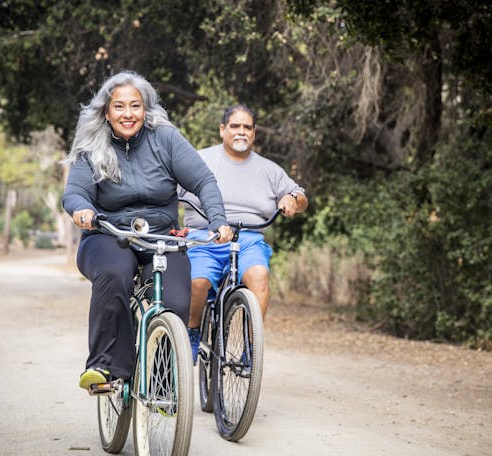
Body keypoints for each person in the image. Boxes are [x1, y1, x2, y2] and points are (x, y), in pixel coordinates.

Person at [62, 70, 233, 392]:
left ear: (146, 109)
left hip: (161, 237)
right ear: (106, 111)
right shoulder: (91, 145)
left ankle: (162, 382)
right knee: (115, 276)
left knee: (176, 301)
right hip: (108, 234)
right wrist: (82, 210)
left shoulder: (166, 138)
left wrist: (217, 220)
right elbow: (74, 192)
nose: (128, 114)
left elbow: (203, 180)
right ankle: (105, 365)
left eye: (135, 106)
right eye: (119, 106)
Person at [178, 104, 308, 363]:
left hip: (248, 240)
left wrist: (293, 199)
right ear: (222, 130)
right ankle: (192, 331)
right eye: (235, 126)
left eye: (247, 127)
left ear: (254, 133)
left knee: (259, 276)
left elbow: (301, 195)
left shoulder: (269, 169)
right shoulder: (199, 160)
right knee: (198, 283)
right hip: (206, 237)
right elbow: (167, 191)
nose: (241, 132)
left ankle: (251, 346)